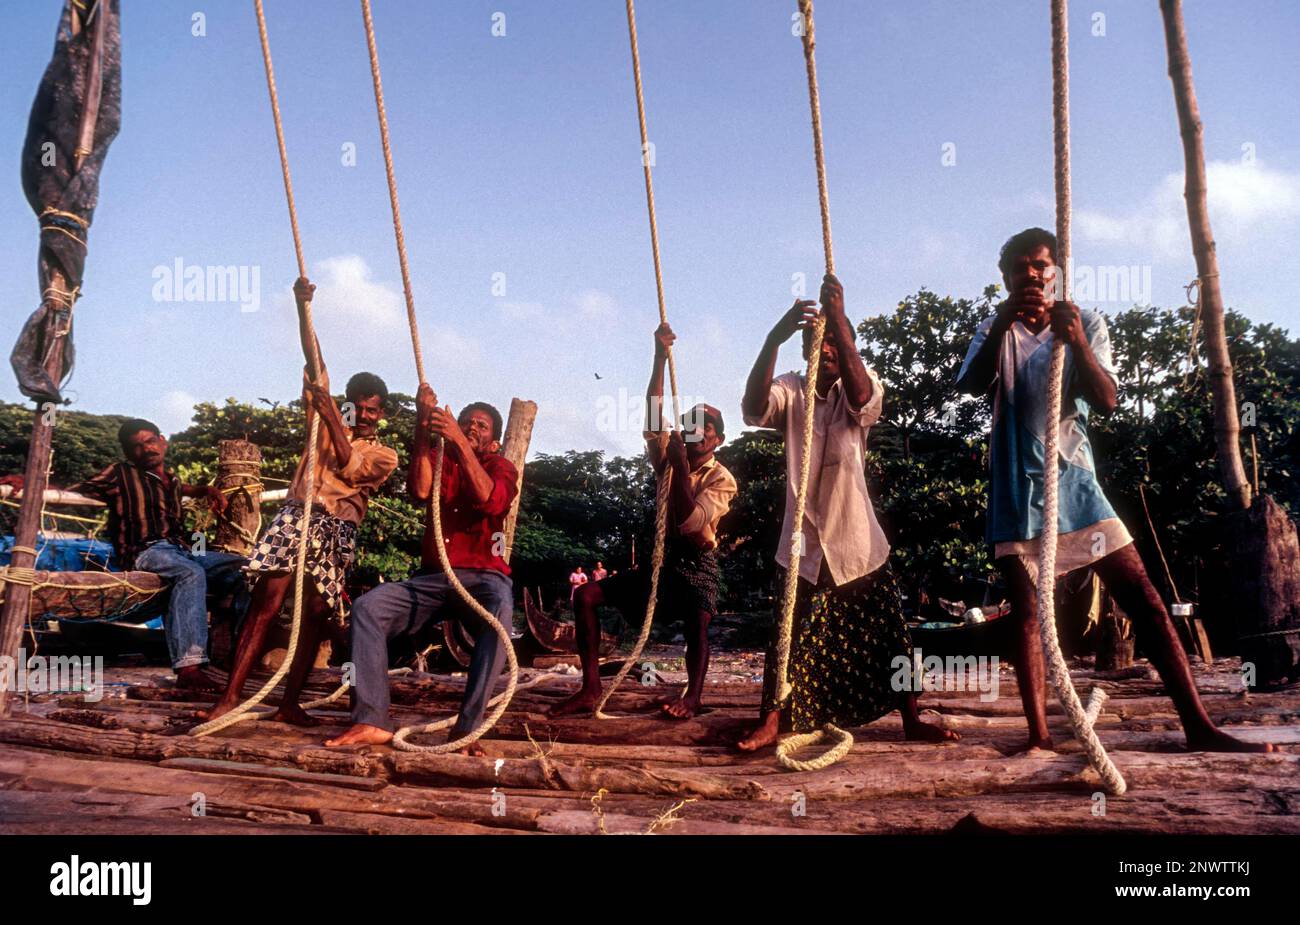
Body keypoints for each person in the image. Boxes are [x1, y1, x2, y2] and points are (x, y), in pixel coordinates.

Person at [956, 227, 1272, 754]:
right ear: (1005, 276)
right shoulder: (995, 327)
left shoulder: (1086, 322)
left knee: (1144, 598)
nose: (1032, 275)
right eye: (1021, 268)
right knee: (1030, 614)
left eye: (1041, 266)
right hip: (1016, 487)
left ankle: (1199, 726)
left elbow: (1106, 401)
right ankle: (1038, 736)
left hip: (1075, 480)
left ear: (1056, 270)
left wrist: (1075, 339)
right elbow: (968, 386)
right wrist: (1006, 320)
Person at [736, 274, 956, 751]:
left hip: (857, 541)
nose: (828, 350)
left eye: (836, 342)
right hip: (803, 544)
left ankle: (912, 720)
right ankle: (772, 719)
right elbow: (752, 408)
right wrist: (774, 339)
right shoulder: (793, 389)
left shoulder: (863, 380)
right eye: (819, 344)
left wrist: (837, 318)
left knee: (888, 639)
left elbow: (863, 400)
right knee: (786, 636)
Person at [201, 277, 398, 725]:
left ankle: (289, 703)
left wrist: (331, 414)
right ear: (350, 405)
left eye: (373, 409)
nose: (365, 415)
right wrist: (302, 307)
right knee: (266, 605)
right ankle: (230, 697)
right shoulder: (321, 418)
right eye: (358, 407)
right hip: (296, 514)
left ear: (382, 412)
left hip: (337, 528)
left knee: (314, 615)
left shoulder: (384, 454)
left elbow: (349, 466)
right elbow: (315, 362)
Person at [551, 322, 737, 720]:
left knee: (698, 624)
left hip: (696, 562)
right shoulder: (669, 459)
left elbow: (691, 522)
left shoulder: (721, 478)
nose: (699, 431)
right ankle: (590, 688)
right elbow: (654, 414)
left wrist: (680, 467)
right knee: (586, 597)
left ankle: (693, 697)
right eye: (693, 424)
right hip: (664, 561)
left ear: (717, 439)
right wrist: (658, 357)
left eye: (708, 427)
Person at [325, 385, 518, 756]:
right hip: (432, 577)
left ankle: (467, 730)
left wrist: (460, 441)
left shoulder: (500, 466)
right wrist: (421, 424)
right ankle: (372, 720)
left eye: (481, 426)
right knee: (368, 609)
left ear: (493, 442)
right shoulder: (439, 456)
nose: (472, 428)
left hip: (483, 578)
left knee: (501, 613)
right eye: (466, 423)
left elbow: (489, 500)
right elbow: (419, 490)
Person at [2, 420, 247, 691]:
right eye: (137, 446)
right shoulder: (119, 474)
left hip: (183, 551)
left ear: (162, 441)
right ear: (129, 454)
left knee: (251, 570)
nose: (146, 449)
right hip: (146, 551)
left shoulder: (173, 481)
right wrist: (31, 482)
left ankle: (242, 657)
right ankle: (190, 670)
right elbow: (74, 487)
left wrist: (207, 490)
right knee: (190, 574)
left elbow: (184, 488)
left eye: (150, 441)